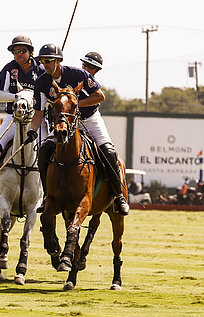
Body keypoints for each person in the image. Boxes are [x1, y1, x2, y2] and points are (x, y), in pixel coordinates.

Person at [29, 43, 129, 216]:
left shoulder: (78, 74)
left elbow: (100, 96)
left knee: (108, 151)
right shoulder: (42, 82)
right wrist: (32, 130)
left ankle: (118, 196)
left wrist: (72, 105)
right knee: (44, 150)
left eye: (48, 60)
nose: (44, 64)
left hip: (89, 119)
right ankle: (47, 196)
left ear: (58, 61)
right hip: (64, 124)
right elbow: (38, 113)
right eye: (42, 61)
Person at [0, 35, 46, 207]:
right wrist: (22, 97)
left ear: (31, 52)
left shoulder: (41, 69)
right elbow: (0, 94)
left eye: (23, 51)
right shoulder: (9, 69)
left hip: (37, 119)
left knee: (49, 150)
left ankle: (49, 195)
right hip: (14, 119)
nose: (19, 54)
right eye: (15, 51)